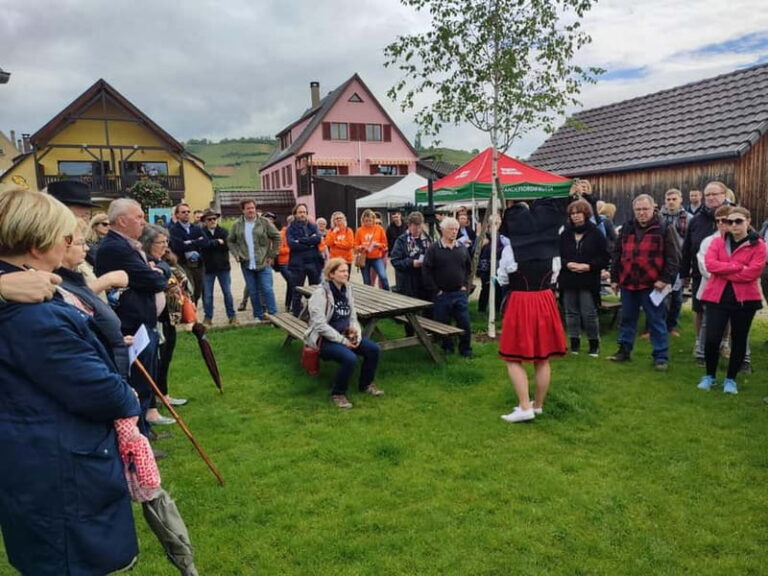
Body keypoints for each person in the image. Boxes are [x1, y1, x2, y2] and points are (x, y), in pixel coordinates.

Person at [0, 188, 141, 575]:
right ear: (35, 244)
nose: (70, 244)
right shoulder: (33, 314)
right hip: (60, 470)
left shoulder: (23, 294)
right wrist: (125, 393)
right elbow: (101, 392)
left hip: (37, 460)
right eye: (64, 236)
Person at [95, 198, 169, 432]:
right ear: (122, 220)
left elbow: (158, 270)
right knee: (138, 382)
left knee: (146, 380)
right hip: (131, 323)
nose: (143, 222)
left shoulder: (128, 244)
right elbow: (153, 280)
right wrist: (156, 274)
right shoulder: (115, 247)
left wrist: (157, 271)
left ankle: (145, 431)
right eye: (138, 217)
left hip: (143, 320)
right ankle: (139, 436)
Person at [497, 197, 567, 423]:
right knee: (542, 358)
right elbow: (555, 277)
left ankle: (525, 406)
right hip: (545, 299)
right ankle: (537, 405)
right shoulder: (553, 252)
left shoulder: (510, 251)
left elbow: (502, 278)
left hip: (521, 301)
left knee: (512, 357)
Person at [697, 207, 766, 394]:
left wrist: (725, 270)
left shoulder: (759, 245)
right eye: (730, 221)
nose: (733, 225)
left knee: (739, 339)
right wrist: (738, 267)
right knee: (712, 338)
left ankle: (730, 379)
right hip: (717, 297)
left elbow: (753, 272)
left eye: (738, 221)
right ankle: (709, 376)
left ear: (748, 221)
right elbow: (711, 265)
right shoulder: (717, 242)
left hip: (745, 300)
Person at [609, 194, 680, 370]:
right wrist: (615, 278)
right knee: (627, 319)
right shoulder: (626, 227)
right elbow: (617, 253)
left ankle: (660, 356)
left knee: (656, 320)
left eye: (645, 209)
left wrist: (665, 279)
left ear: (653, 208)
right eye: (638, 209)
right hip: (628, 282)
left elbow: (674, 257)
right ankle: (624, 350)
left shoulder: (664, 227)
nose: (642, 213)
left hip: (652, 284)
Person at [304, 258, 382, 409]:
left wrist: (356, 335)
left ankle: (366, 384)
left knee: (373, 349)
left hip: (346, 335)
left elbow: (352, 316)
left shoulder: (347, 289)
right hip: (325, 339)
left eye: (347, 271)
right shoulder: (321, 293)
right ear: (331, 274)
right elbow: (320, 325)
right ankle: (338, 393)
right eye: (342, 271)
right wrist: (342, 341)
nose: (346, 274)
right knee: (350, 358)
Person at [140, 224, 189, 411]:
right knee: (159, 358)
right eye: (160, 242)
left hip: (170, 317)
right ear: (148, 243)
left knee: (166, 356)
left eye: (166, 241)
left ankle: (163, 393)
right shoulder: (148, 263)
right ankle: (156, 397)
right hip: (157, 318)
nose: (165, 245)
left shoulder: (163, 262)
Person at [681, 181, 730, 363]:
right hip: (700, 274)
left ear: (724, 195)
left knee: (726, 310)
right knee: (699, 309)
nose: (710, 198)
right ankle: (699, 342)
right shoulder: (697, 219)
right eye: (707, 194)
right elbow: (687, 248)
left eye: (714, 194)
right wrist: (684, 273)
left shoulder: (734, 215)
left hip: (729, 276)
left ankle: (724, 342)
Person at [559, 199, 609, 357]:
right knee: (571, 312)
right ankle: (574, 344)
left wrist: (588, 266)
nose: (575, 216)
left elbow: (604, 257)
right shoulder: (565, 234)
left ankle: (594, 345)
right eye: (572, 213)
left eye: (579, 213)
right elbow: (558, 255)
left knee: (589, 313)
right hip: (568, 278)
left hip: (588, 279)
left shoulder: (596, 233)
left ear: (586, 214)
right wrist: (567, 264)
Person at [422, 217, 473, 358]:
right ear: (443, 230)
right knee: (443, 324)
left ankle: (466, 350)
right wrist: (435, 290)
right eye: (451, 229)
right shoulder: (434, 249)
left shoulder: (462, 248)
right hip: (442, 295)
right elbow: (426, 271)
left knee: (464, 323)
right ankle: (447, 348)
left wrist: (465, 285)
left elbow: (468, 268)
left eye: (456, 229)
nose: (454, 232)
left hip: (459, 293)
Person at [228, 199, 281, 323]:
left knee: (267, 289)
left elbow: (277, 237)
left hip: (263, 261)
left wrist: (272, 254)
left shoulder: (264, 222)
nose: (251, 210)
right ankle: (258, 315)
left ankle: (274, 315)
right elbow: (230, 240)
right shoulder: (237, 225)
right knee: (253, 291)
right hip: (247, 263)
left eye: (252, 208)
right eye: (248, 208)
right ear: (243, 210)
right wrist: (236, 254)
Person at [391, 211, 433, 335]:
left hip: (424, 279)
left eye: (420, 226)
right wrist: (411, 263)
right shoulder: (401, 240)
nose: (418, 229)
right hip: (408, 281)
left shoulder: (427, 238)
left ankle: (429, 334)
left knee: (428, 307)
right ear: (409, 225)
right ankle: (410, 335)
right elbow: (395, 260)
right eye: (415, 226)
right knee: (410, 310)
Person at [658, 188, 690, 336]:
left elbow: (690, 241)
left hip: (680, 261)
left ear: (680, 200)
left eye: (674, 199)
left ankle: (672, 326)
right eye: (668, 199)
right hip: (661, 261)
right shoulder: (658, 217)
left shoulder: (688, 218)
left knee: (677, 296)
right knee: (660, 295)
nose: (671, 202)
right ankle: (657, 325)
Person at [199, 209, 238, 326]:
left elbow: (227, 246)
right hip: (207, 268)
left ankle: (232, 316)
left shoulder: (223, 231)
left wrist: (211, 244)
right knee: (207, 295)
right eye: (209, 219)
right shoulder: (201, 232)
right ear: (205, 221)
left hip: (223, 267)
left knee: (227, 293)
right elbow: (202, 245)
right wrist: (217, 242)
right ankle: (208, 317)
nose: (212, 221)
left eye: (214, 219)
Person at [287, 203, 323, 316]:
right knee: (297, 291)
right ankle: (296, 315)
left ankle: (314, 314)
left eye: (304, 212)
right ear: (295, 214)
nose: (302, 214)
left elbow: (318, 239)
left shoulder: (313, 226)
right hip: (298, 264)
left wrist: (301, 240)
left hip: (314, 262)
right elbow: (292, 244)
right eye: (300, 212)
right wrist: (309, 242)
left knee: (315, 291)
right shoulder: (291, 229)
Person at [168, 202, 207, 308]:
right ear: (177, 214)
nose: (186, 214)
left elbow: (205, 242)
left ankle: (193, 309)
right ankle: (190, 313)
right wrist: (196, 241)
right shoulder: (173, 230)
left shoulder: (196, 228)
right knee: (189, 289)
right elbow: (178, 246)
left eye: (188, 212)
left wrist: (188, 242)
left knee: (198, 290)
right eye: (183, 212)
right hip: (184, 264)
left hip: (198, 264)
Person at [355, 209, 390, 290]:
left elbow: (385, 244)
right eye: (366, 221)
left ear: (373, 219)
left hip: (376, 257)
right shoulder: (359, 230)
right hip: (364, 257)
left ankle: (387, 292)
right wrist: (360, 247)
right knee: (367, 281)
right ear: (363, 220)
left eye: (370, 220)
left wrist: (378, 245)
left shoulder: (379, 229)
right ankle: (368, 296)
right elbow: (355, 245)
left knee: (383, 276)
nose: (368, 223)